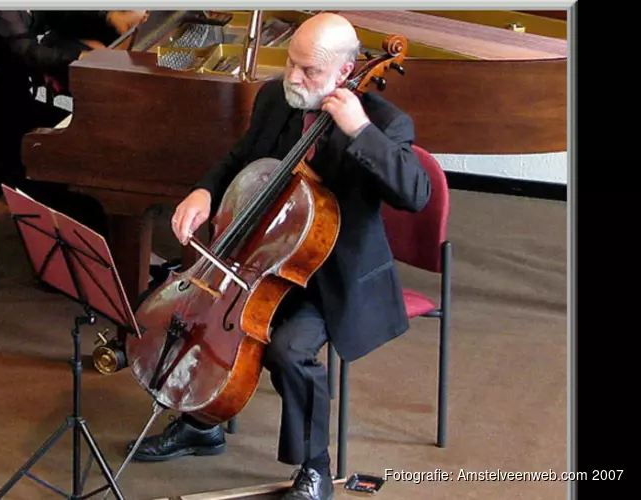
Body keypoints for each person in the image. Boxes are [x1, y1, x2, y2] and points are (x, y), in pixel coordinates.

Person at [127, 13, 431, 500]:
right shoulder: (276, 98)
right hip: (258, 257)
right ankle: (202, 424)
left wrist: (359, 132)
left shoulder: (385, 123)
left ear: (345, 71)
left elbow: (415, 194)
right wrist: (204, 193)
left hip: (327, 278)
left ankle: (315, 468)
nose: (294, 77)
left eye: (309, 71)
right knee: (199, 316)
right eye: (292, 63)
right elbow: (240, 159)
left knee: (289, 349)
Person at [0, 10, 145, 236]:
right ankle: (93, 254)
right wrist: (82, 59)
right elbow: (26, 52)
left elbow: (56, 15)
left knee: (92, 147)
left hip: (15, 100)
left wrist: (110, 18)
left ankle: (119, 251)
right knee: (67, 173)